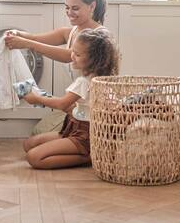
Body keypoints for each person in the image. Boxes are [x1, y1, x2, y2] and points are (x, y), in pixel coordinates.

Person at [20, 29, 119, 169]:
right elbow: (74, 107)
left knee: (34, 157)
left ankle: (90, 156)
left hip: (85, 134)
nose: (72, 56)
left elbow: (62, 104)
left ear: (94, 59)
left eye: (77, 54)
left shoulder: (84, 82)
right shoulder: (99, 79)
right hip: (75, 127)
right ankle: (88, 152)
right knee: (28, 145)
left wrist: (37, 99)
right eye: (73, 51)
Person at [4, 0, 108, 81]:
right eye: (67, 7)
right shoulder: (70, 32)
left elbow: (68, 56)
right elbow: (35, 38)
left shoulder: (99, 35)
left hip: (98, 97)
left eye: (75, 8)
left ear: (92, 6)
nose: (69, 12)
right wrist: (16, 33)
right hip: (80, 97)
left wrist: (27, 44)